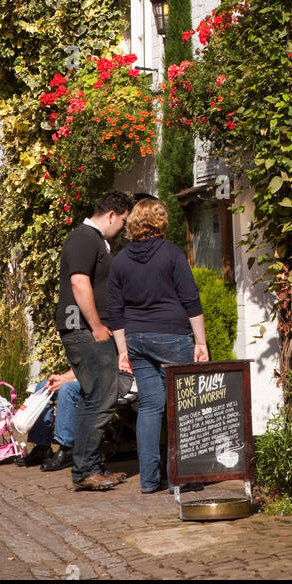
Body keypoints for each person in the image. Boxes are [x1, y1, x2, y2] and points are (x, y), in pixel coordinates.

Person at [108, 197, 209, 494]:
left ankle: (150, 480)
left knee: (151, 406)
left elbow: (115, 310)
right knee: (182, 405)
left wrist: (123, 350)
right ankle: (182, 476)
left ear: (134, 225)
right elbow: (191, 299)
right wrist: (200, 341)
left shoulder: (120, 261)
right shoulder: (171, 254)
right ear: (161, 221)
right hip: (172, 336)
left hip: (137, 338)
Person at [56, 189, 133, 492]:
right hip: (84, 330)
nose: (124, 228)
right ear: (112, 215)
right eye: (123, 221)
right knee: (100, 397)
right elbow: (78, 281)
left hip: (88, 329)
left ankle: (90, 465)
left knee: (96, 396)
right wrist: (97, 325)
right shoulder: (83, 238)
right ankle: (85, 469)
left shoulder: (94, 240)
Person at [19, 370, 81, 470]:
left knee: (67, 389)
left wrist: (66, 381)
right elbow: (81, 367)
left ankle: (66, 450)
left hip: (101, 382)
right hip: (83, 378)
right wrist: (62, 378)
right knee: (44, 387)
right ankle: (42, 448)